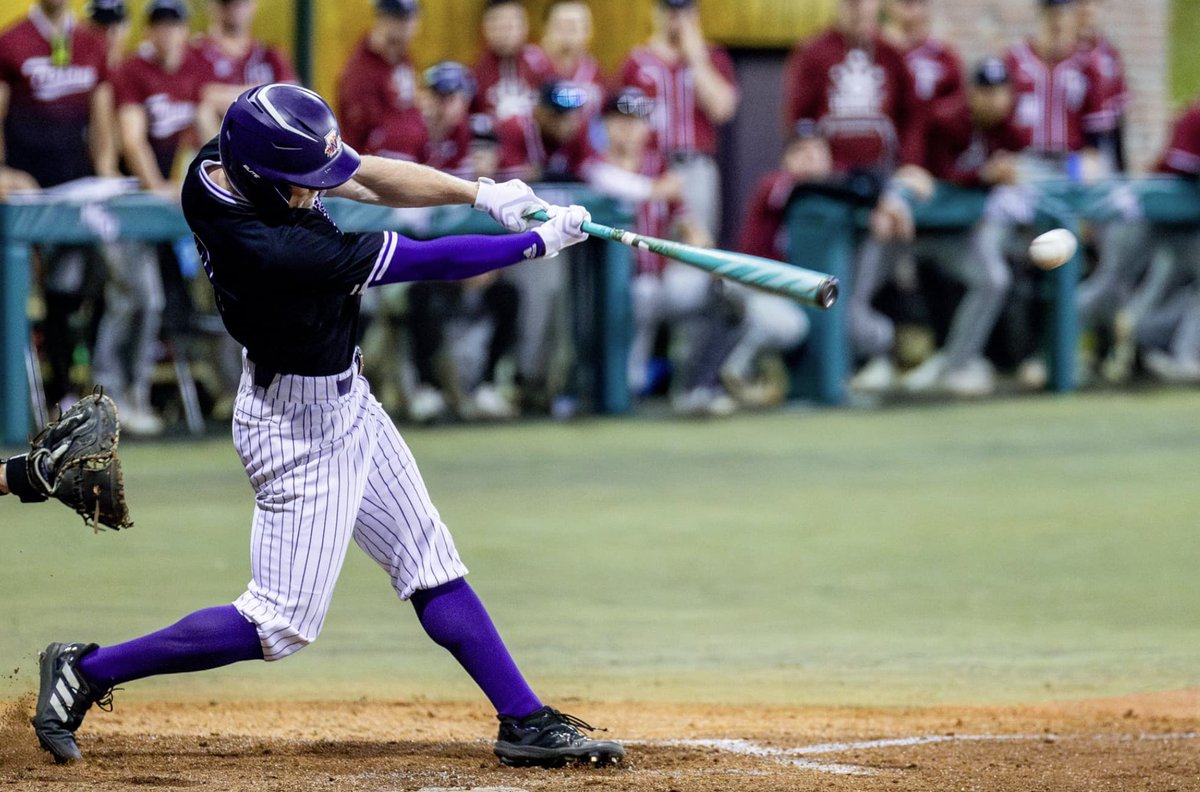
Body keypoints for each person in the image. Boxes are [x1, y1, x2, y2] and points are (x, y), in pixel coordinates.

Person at [23, 82, 624, 770]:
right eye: (301, 184)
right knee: (278, 623)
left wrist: (481, 194)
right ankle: (88, 669)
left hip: (347, 399)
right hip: (296, 428)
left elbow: (364, 175)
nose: (315, 193)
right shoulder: (280, 251)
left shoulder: (220, 166)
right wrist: (536, 243)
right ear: (260, 176)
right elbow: (433, 262)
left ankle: (523, 718)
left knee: (430, 560)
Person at [850, 58, 1027, 396]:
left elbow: (1023, 165)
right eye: (986, 92)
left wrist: (1008, 174)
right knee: (852, 288)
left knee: (994, 278)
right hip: (908, 225)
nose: (994, 100)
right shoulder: (944, 118)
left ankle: (956, 364)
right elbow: (918, 172)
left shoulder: (1008, 130)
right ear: (972, 93)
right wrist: (980, 177)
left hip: (956, 232)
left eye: (1001, 92)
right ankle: (871, 356)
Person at [0, 0, 119, 406]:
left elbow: (102, 118)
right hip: (28, 193)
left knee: (104, 279)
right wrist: (2, 172)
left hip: (81, 192)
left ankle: (97, 390)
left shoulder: (90, 44)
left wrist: (106, 172)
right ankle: (61, 389)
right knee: (53, 287)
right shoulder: (12, 42)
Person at [95, 0, 205, 435]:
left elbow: (204, 125)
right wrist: (158, 184)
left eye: (174, 23)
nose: (167, 32)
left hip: (159, 204)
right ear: (149, 31)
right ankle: (110, 397)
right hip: (124, 200)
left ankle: (134, 394)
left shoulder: (192, 67)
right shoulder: (132, 71)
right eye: (159, 24)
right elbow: (132, 139)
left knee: (155, 299)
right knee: (135, 298)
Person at [618, 0, 738, 240]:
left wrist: (696, 59)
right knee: (645, 242)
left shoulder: (713, 57)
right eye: (671, 11)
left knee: (695, 246)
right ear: (657, 14)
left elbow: (722, 109)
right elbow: (616, 122)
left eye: (684, 11)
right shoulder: (636, 62)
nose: (677, 19)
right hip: (649, 165)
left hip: (694, 165)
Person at [192, 0, 297, 138]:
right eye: (228, 3)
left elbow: (291, 98)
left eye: (242, 3)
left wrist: (223, 96)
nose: (235, 9)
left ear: (253, 5)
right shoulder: (195, 52)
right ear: (212, 6)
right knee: (204, 113)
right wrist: (261, 92)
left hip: (265, 139)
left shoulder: (270, 55)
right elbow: (200, 96)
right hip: (210, 146)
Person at [336, 0, 424, 158]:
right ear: (381, 20)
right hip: (371, 167)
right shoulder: (360, 71)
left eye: (410, 20)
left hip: (408, 161)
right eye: (398, 19)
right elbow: (365, 135)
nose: (406, 28)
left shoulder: (403, 58)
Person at [472, 0, 549, 122]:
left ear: (525, 27)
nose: (505, 33)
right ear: (485, 29)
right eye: (497, 25)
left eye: (510, 25)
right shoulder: (475, 73)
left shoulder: (542, 65)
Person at [881, 0, 964, 108]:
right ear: (888, 6)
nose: (917, 11)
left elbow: (957, 109)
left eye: (922, 3)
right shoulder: (875, 53)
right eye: (908, 3)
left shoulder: (943, 57)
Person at [1076, 0, 1128, 171]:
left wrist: (1122, 168)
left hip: (1104, 140)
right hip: (1075, 144)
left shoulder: (1108, 52)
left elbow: (1119, 113)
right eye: (1082, 3)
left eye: (1093, 3)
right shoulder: (1065, 53)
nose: (1088, 9)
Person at [538, 0, 604, 121]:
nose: (567, 33)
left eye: (574, 26)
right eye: (561, 26)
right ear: (545, 28)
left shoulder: (594, 71)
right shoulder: (531, 66)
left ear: (589, 31)